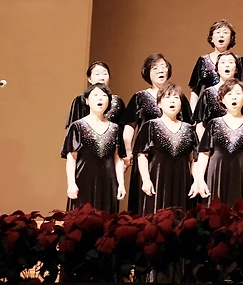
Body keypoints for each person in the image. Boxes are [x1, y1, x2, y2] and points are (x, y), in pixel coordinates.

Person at [122, 54, 193, 215]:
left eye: (163, 67)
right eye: (155, 68)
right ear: (147, 72)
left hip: (174, 155)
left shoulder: (178, 96)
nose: (161, 71)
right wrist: (127, 150)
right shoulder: (139, 97)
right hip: (147, 155)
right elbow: (130, 125)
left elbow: (189, 125)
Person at [135, 84, 200, 214]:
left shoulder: (189, 129)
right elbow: (142, 155)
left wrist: (197, 181)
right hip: (157, 180)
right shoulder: (150, 126)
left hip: (182, 181)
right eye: (167, 97)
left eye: (176, 97)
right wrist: (146, 180)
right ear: (159, 103)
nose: (172, 101)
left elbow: (193, 159)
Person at [62, 83, 126, 212]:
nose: (100, 98)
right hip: (83, 180)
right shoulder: (77, 126)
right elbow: (71, 158)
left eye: (104, 95)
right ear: (87, 100)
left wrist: (121, 184)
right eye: (95, 95)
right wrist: (71, 183)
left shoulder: (115, 128)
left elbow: (118, 158)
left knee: (107, 218)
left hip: (108, 181)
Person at [194, 80, 243, 205]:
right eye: (229, 94)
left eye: (238, 93)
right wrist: (199, 179)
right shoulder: (213, 124)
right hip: (217, 173)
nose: (234, 97)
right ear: (222, 99)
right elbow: (204, 154)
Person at [188, 19, 243, 111]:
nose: (221, 35)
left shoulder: (238, 60)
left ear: (231, 38)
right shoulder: (203, 60)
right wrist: (194, 112)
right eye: (217, 32)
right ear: (212, 38)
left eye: (225, 32)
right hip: (208, 109)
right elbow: (195, 90)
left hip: (234, 109)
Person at [192, 52, 243, 135]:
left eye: (230, 62)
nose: (227, 65)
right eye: (223, 62)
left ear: (236, 69)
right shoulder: (208, 93)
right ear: (216, 69)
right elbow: (200, 125)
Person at [65, 61, 125, 136]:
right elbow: (73, 129)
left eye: (105, 74)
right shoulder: (81, 99)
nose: (102, 78)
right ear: (89, 79)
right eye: (97, 74)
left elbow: (122, 129)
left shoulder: (117, 101)